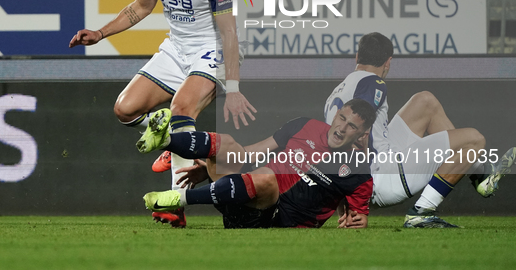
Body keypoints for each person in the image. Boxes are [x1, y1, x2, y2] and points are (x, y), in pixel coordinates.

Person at [69, 0, 256, 227]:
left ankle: (174, 204)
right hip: (176, 49)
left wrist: (235, 88)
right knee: (125, 109)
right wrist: (101, 33)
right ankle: (172, 138)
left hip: (211, 50)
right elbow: (142, 6)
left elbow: (229, 31)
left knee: (182, 109)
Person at [324, 32, 516, 228]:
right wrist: (356, 197)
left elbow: (338, 145)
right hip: (380, 176)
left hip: (373, 167)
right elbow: (358, 132)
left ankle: (480, 174)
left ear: (357, 57)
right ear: (388, 62)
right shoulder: (373, 83)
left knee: (425, 101)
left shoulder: (339, 91)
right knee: (474, 140)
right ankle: (422, 211)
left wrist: (344, 190)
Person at [137, 99, 375, 229]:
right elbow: (248, 154)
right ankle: (164, 140)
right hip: (241, 198)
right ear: (336, 114)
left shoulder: (357, 171)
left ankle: (178, 199)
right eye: (342, 118)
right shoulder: (305, 125)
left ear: (363, 133)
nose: (342, 128)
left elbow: (359, 216)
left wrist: (358, 221)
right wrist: (212, 166)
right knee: (228, 144)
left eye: (352, 126)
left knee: (267, 179)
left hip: (273, 221)